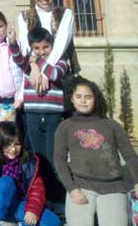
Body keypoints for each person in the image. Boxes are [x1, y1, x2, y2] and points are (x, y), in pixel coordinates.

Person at [54, 76, 138, 226]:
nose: (83, 100)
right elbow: (59, 160)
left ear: (96, 99)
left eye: (88, 97)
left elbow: (130, 155)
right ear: (71, 99)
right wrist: (72, 189)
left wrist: (137, 182)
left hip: (113, 187)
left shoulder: (111, 125)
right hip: (81, 186)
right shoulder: (65, 127)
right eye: (78, 96)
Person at [11, 26, 69, 205]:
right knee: (38, 157)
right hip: (33, 115)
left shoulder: (61, 61)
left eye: (45, 47)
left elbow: (54, 74)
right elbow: (18, 59)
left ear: (53, 47)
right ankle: (40, 197)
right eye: (36, 48)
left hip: (54, 116)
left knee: (54, 156)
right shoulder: (30, 65)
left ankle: (57, 197)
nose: (41, 52)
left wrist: (38, 62)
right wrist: (13, 42)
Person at [0, 121, 59, 226]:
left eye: (17, 144)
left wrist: (32, 210)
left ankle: (15, 224)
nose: (13, 149)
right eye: (7, 145)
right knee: (5, 181)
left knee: (53, 221)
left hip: (19, 204)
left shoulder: (28, 162)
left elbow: (37, 189)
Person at [17, 0, 80, 75]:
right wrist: (36, 68)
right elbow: (26, 46)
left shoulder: (65, 13)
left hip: (61, 71)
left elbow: (61, 45)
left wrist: (46, 71)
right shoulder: (24, 17)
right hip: (34, 73)